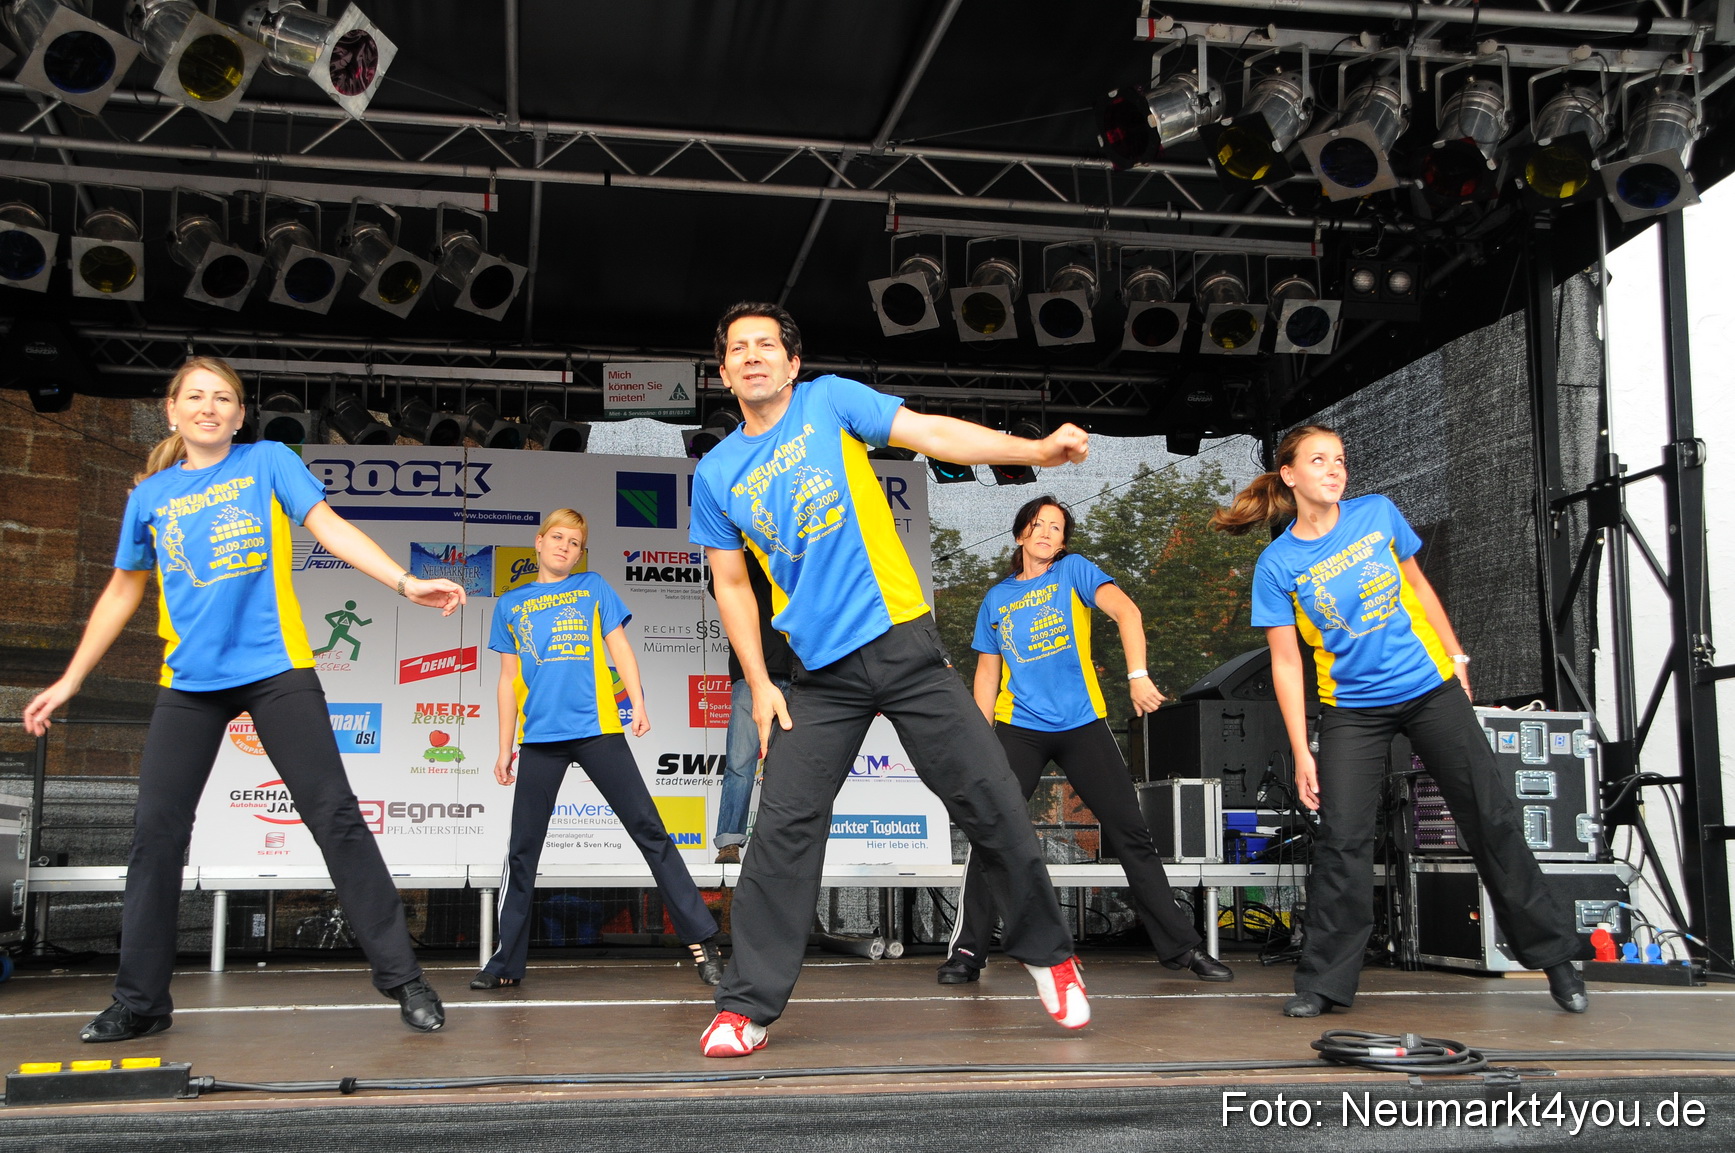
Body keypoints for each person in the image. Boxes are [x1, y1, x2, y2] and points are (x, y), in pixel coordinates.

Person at [689, 302, 1090, 1059]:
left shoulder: (829, 400)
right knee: (780, 832)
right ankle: (746, 1004)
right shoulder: (716, 473)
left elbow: (932, 432)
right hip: (817, 676)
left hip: (904, 648)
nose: (752, 356)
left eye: (765, 345)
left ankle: (1049, 953)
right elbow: (732, 586)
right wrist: (760, 681)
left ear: (791, 362)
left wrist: (1033, 451)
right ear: (724, 372)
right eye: (737, 348)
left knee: (992, 799)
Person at [22, 357, 463, 1042]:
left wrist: (406, 583)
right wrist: (70, 678)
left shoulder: (268, 462)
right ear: (172, 411)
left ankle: (405, 979)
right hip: (189, 683)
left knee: (334, 815)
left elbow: (330, 527)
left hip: (272, 667)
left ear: (238, 414)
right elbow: (121, 589)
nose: (208, 406)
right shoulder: (150, 496)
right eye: (194, 396)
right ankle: (139, 1001)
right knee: (155, 836)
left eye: (222, 397)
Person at [1211, 425, 1588, 1017]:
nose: (1334, 469)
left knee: (1490, 817)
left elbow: (1419, 587)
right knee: (1342, 841)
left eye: (1339, 459)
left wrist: (1456, 657)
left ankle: (1557, 959)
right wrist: (1302, 751)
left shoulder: (1378, 515)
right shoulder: (1277, 564)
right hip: (1351, 711)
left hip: (1427, 689)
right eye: (1318, 460)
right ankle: (1323, 985)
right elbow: (1287, 665)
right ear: (1289, 475)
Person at [941, 496, 1234, 986]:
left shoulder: (1073, 571)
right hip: (1019, 728)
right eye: (1038, 525)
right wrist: (979, 735)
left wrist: (1137, 676)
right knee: (993, 832)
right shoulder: (996, 599)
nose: (1047, 533)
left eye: (1056, 527)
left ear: (1063, 541)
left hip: (1081, 724)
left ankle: (1184, 949)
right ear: (1019, 535)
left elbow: (1128, 612)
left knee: (1130, 834)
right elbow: (987, 674)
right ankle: (969, 950)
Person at [473, 508, 723, 990]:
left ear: (580, 552)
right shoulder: (510, 603)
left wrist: (639, 704)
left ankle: (703, 945)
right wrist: (504, 747)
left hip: (597, 730)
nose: (566, 547)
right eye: (559, 538)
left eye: (575, 542)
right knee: (522, 851)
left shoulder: (593, 588)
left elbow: (620, 648)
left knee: (650, 832)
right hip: (540, 740)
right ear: (540, 542)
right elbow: (507, 681)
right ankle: (505, 963)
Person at [705, 552, 793, 865]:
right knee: (740, 764)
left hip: (801, 679)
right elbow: (719, 585)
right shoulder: (743, 561)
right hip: (752, 681)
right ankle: (729, 843)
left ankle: (778, 845)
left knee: (789, 771)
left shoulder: (796, 561)